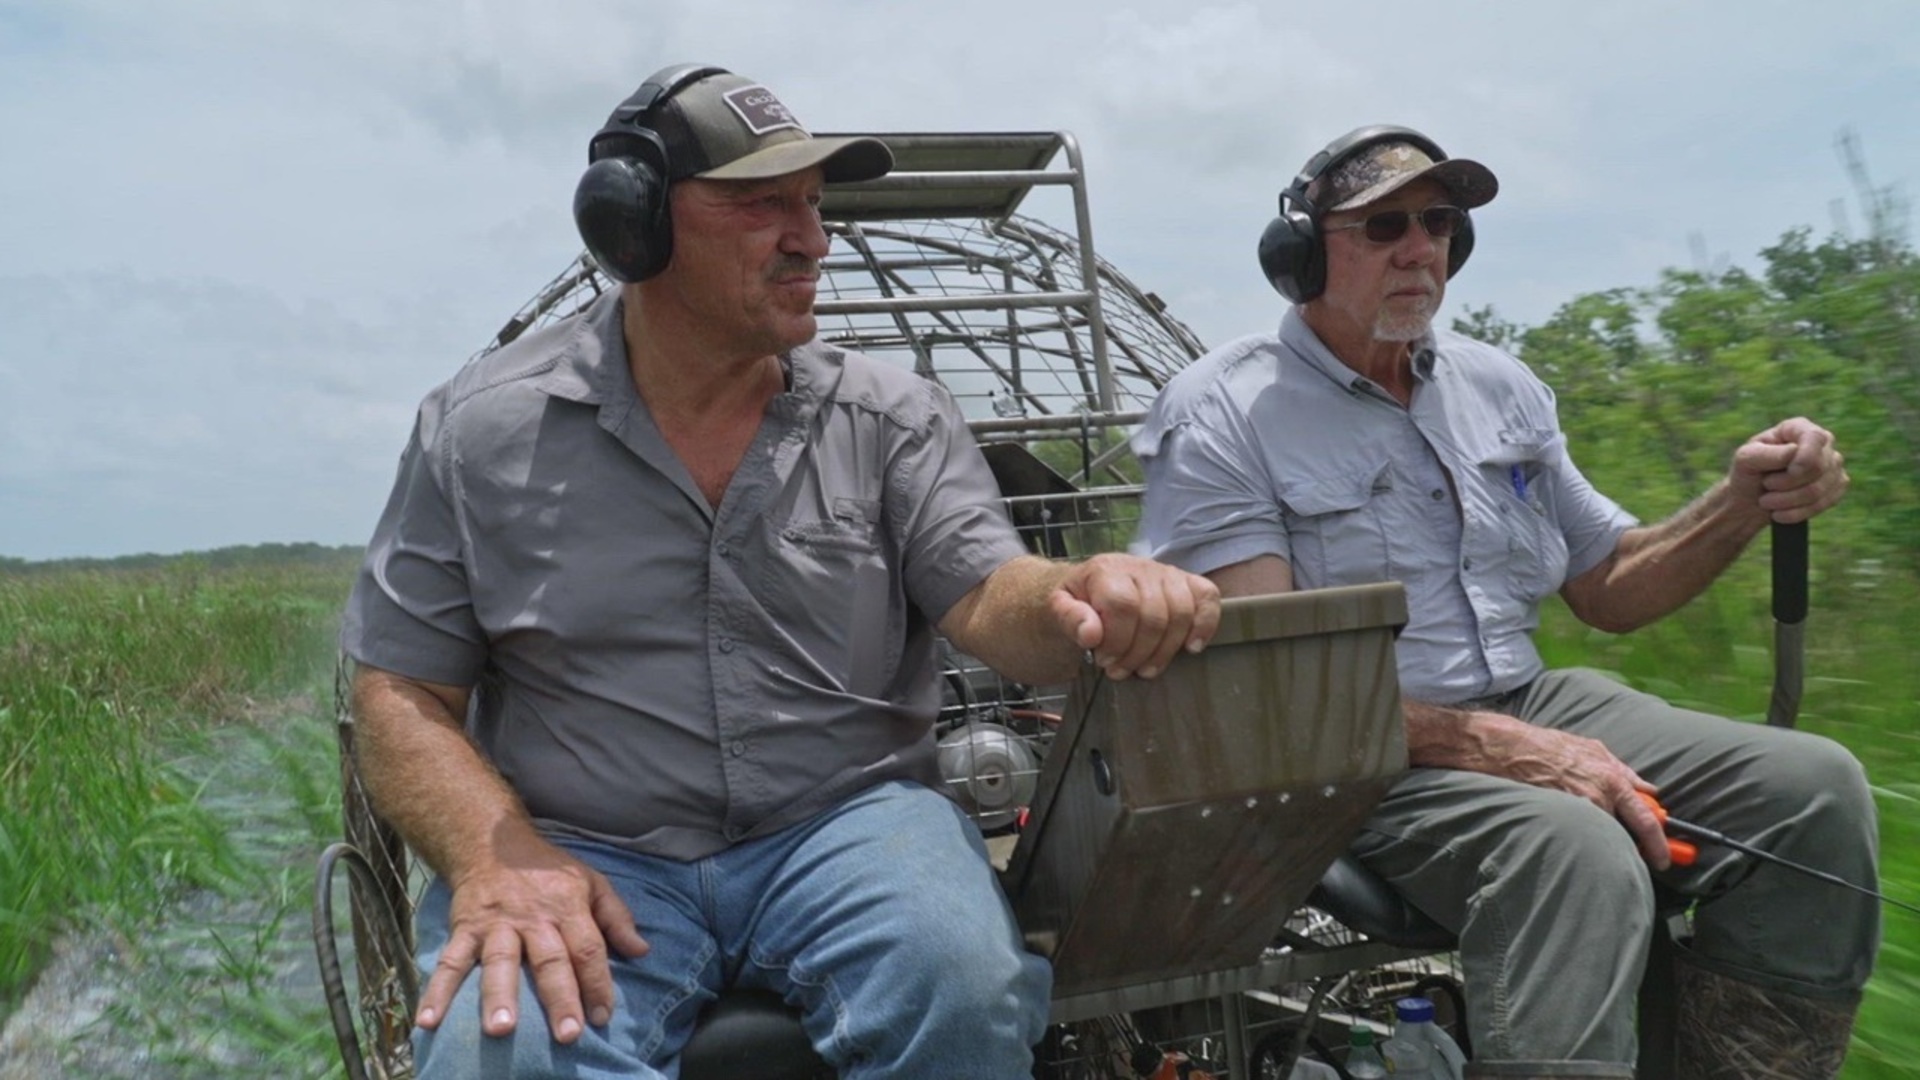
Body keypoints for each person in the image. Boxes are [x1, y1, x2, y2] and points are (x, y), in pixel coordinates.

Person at [341, 63, 1220, 1080]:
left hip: (845, 824)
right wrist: (495, 855)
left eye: (814, 204)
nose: (813, 239)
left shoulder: (891, 417)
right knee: (504, 1053)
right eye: (765, 205)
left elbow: (987, 591)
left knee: (964, 993)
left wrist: (1081, 595)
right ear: (635, 228)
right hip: (586, 844)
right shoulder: (478, 434)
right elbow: (400, 689)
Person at [1131, 125, 1879, 1076]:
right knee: (1575, 850)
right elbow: (1274, 691)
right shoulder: (1223, 412)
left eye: (1440, 223)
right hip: (1349, 756)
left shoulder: (1501, 387)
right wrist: (1507, 751)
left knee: (1813, 790)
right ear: (1304, 254)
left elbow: (1608, 585)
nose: (1422, 247)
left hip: (1528, 699)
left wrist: (1741, 503)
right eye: (1384, 225)